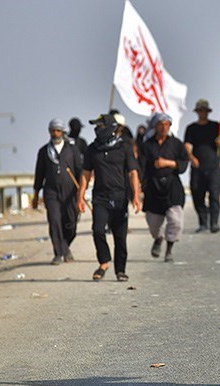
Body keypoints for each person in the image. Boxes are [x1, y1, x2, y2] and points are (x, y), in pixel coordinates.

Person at [77, 113, 141, 282]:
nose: (97, 129)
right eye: (96, 127)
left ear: (111, 128)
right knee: (98, 230)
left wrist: (136, 195)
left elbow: (133, 172)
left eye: (100, 126)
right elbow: (85, 173)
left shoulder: (124, 147)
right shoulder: (92, 149)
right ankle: (104, 262)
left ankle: (120, 270)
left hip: (120, 197)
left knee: (120, 236)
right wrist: (80, 195)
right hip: (100, 198)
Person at [33, 118, 83, 265]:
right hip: (51, 192)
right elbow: (39, 173)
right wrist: (36, 194)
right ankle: (58, 253)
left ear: (62, 132)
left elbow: (79, 169)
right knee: (55, 220)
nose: (55, 133)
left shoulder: (72, 149)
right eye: (53, 131)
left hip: (70, 192)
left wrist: (81, 189)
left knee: (71, 222)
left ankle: (65, 246)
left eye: (58, 130)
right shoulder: (44, 152)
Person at [141, 113, 189, 263]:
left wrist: (168, 163)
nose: (163, 127)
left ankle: (169, 250)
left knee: (176, 221)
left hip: (172, 186)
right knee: (153, 225)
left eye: (166, 124)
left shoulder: (176, 144)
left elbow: (184, 162)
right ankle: (159, 238)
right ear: (155, 126)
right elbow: (140, 166)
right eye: (160, 124)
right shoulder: (147, 145)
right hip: (153, 188)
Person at [184, 99, 220, 233]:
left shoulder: (216, 126)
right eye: (200, 110)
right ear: (197, 112)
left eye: (204, 110)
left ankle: (214, 223)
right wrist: (191, 158)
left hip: (213, 167)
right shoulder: (191, 128)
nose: (202, 113)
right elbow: (187, 146)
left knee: (214, 195)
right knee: (197, 194)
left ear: (208, 112)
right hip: (197, 168)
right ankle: (203, 222)